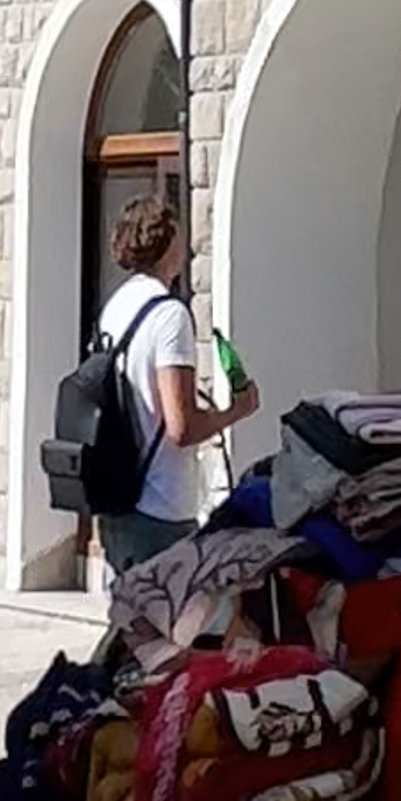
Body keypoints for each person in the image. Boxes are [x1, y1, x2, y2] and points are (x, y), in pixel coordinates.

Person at [84, 183, 252, 583]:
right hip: (161, 507)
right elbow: (182, 427)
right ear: (166, 242)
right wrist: (235, 411)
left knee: (131, 632)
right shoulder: (169, 315)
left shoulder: (116, 307)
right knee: (170, 636)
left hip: (118, 501)